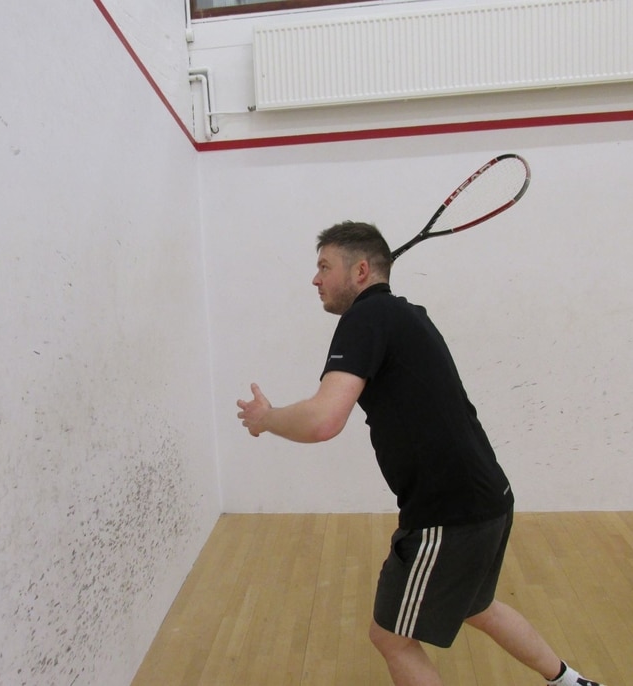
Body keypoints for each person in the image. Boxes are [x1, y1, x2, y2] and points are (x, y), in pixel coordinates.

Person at [236, 221, 607, 686]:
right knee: (477, 606)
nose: (315, 279)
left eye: (324, 267)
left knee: (390, 637)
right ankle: (572, 682)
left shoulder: (366, 319)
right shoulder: (407, 314)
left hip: (446, 514)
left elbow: (324, 420)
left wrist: (266, 419)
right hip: (490, 496)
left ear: (362, 270)